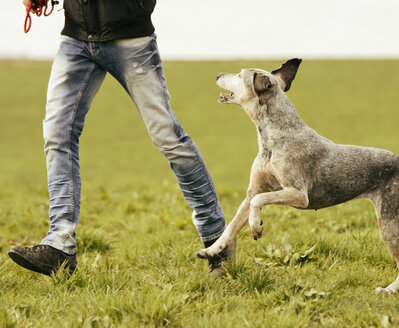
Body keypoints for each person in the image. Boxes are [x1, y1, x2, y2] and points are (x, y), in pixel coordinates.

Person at [8, 0, 234, 277]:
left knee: (168, 138)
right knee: (57, 135)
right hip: (76, 38)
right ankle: (59, 245)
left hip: (131, 38)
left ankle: (218, 241)